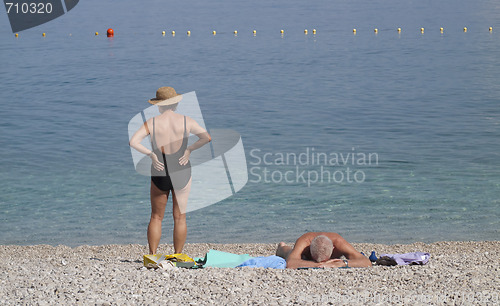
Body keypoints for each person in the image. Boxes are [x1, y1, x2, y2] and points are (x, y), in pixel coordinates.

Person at [129, 87, 211, 255]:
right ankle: (178, 255)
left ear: (158, 105)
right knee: (180, 217)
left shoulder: (151, 122)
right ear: (175, 104)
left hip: (160, 170)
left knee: (156, 217)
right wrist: (189, 150)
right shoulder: (187, 121)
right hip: (182, 169)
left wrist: (151, 154)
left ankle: (153, 256)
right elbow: (206, 138)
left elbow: (133, 142)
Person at [275, 232, 372, 269]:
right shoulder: (305, 241)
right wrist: (321, 265)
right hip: (303, 254)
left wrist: (343, 263)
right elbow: (291, 263)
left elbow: (366, 261)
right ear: (309, 249)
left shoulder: (338, 242)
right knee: (289, 253)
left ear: (333, 249)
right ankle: (282, 246)